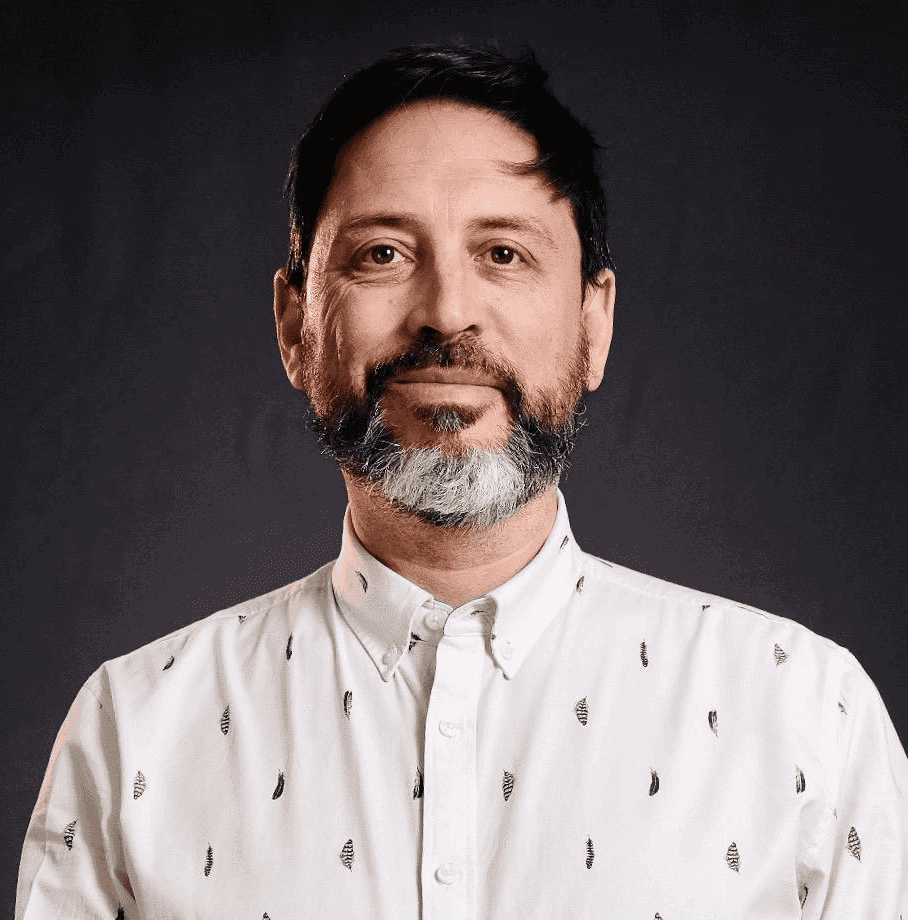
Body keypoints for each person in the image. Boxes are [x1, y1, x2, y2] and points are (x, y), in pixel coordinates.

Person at [16, 42, 908, 920]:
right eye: (382, 255)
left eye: (504, 254)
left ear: (593, 324)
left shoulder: (808, 716)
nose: (445, 311)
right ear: (295, 326)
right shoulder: (132, 730)